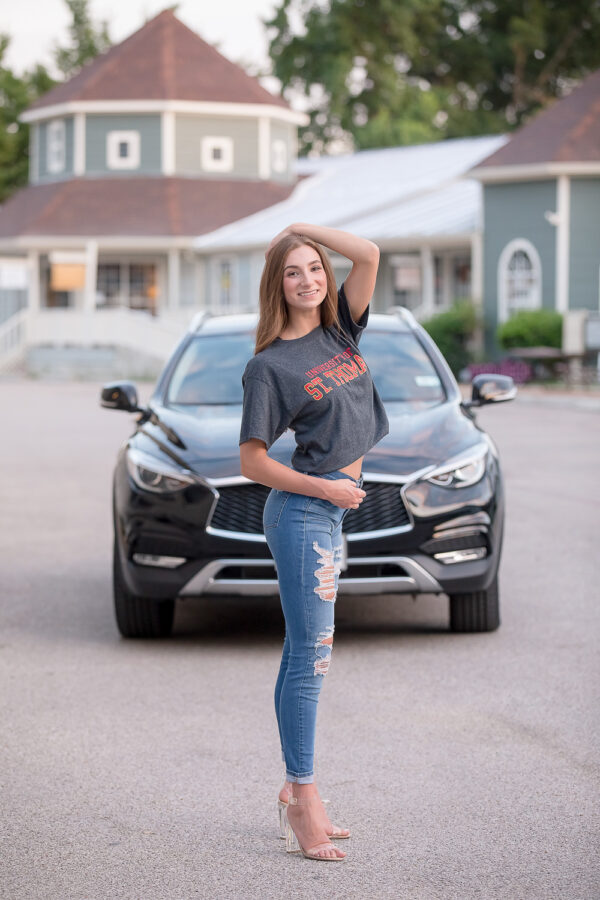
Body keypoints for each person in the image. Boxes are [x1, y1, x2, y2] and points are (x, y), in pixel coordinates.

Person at [239, 223, 389, 861]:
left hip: (329, 515)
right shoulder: (269, 365)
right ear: (277, 286)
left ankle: (291, 788)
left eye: (314, 268)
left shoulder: (341, 333)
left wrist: (301, 227)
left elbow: (370, 254)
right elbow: (251, 462)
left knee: (301, 654)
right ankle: (304, 798)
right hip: (304, 515)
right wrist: (324, 490)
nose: (308, 280)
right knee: (312, 660)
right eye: (293, 271)